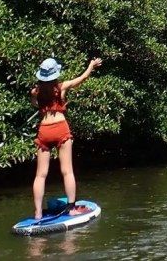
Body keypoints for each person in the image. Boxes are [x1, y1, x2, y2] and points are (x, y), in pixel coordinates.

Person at [30, 56, 102, 220]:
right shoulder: (61, 87)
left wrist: (36, 96)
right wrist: (91, 65)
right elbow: (82, 78)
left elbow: (36, 105)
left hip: (44, 130)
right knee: (67, 171)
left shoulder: (36, 92)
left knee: (40, 175)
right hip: (60, 128)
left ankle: (38, 212)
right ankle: (71, 208)